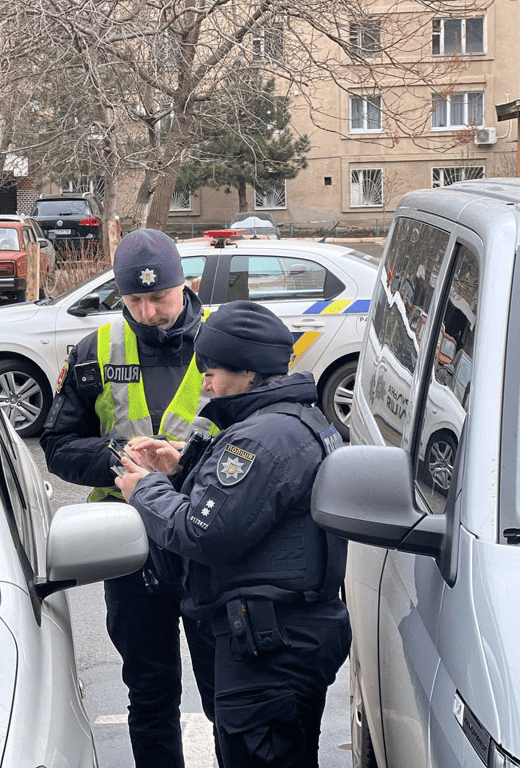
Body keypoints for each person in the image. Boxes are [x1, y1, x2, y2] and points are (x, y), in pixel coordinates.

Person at [112, 300, 351, 767]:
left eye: (211, 371)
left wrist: (146, 489)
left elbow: (206, 534)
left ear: (247, 371)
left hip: (269, 649)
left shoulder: (260, 440)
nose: (204, 383)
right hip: (286, 637)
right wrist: (184, 468)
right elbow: (256, 506)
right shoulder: (295, 420)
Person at [39, 227, 218, 768]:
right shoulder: (95, 352)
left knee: (226, 694)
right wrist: (118, 457)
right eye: (133, 300)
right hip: (131, 550)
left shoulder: (225, 341)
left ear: (184, 285)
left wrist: (186, 463)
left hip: (210, 541)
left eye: (157, 297)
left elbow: (266, 436)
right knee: (151, 694)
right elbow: (58, 446)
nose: (147, 312)